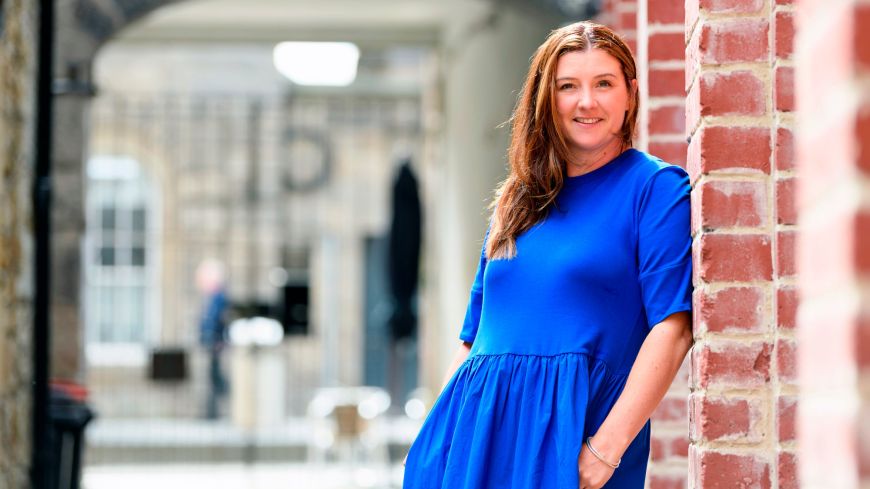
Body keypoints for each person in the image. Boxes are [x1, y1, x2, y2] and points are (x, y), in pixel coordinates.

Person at [402, 21, 693, 489]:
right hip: (472, 443)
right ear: (547, 99)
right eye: (568, 86)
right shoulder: (516, 199)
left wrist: (606, 450)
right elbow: (472, 337)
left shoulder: (655, 190)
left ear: (630, 93)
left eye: (604, 84)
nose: (587, 102)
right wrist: (441, 435)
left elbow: (674, 328)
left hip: (571, 442)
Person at [196, 259, 229, 420]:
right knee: (213, 378)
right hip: (212, 342)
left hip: (215, 343)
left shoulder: (218, 297)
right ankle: (211, 413)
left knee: (216, 379)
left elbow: (216, 320)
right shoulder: (214, 297)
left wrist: (213, 339)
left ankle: (213, 414)